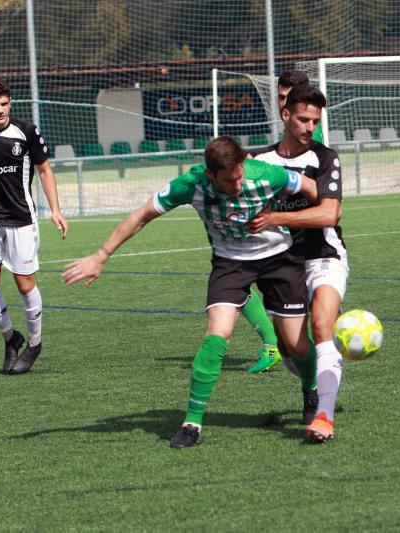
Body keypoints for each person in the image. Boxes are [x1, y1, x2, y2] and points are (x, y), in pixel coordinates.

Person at [61, 136, 319, 448]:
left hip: (279, 258)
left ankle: (312, 391)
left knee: (296, 345)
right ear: (210, 175)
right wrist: (101, 256)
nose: (237, 185)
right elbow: (142, 215)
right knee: (216, 334)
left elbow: (314, 190)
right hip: (230, 262)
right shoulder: (190, 184)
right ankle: (192, 423)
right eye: (229, 180)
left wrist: (292, 221)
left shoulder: (266, 173)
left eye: (239, 176)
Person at [249, 85, 346, 443]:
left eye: (315, 121)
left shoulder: (325, 157)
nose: (310, 127)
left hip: (324, 255)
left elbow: (329, 213)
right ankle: (315, 379)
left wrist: (275, 217)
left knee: (322, 327)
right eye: (303, 119)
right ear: (285, 115)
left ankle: (324, 414)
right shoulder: (259, 161)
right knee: (291, 346)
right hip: (279, 262)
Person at [0, 77, 69, 374]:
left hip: (21, 220)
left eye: (4, 104)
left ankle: (34, 343)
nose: (0, 110)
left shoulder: (26, 132)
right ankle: (11, 337)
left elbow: (45, 170)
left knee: (24, 284)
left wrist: (55, 209)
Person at [277, 70, 324, 143]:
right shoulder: (292, 129)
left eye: (290, 97)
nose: (284, 103)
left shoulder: (307, 132)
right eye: (281, 97)